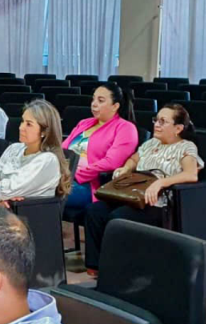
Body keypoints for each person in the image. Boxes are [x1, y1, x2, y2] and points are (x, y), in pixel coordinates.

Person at [84, 103, 203, 276]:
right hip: (134, 195)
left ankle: (118, 269)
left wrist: (161, 183)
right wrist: (125, 168)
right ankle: (95, 267)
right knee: (94, 211)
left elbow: (191, 174)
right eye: (156, 120)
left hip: (158, 203)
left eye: (163, 121)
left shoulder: (186, 147)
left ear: (178, 128)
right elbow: (134, 158)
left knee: (118, 218)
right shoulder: (151, 143)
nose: (156, 124)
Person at [62, 82, 139, 216]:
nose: (94, 104)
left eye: (100, 100)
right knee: (32, 191)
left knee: (41, 194)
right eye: (93, 99)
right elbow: (62, 149)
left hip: (89, 184)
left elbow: (111, 162)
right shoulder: (84, 123)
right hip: (64, 177)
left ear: (115, 106)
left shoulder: (125, 128)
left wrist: (74, 174)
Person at [0, 99, 71, 204]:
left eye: (29, 124)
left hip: (30, 215)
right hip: (2, 211)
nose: (21, 127)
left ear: (44, 132)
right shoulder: (14, 148)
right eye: (22, 121)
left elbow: (4, 190)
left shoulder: (47, 159)